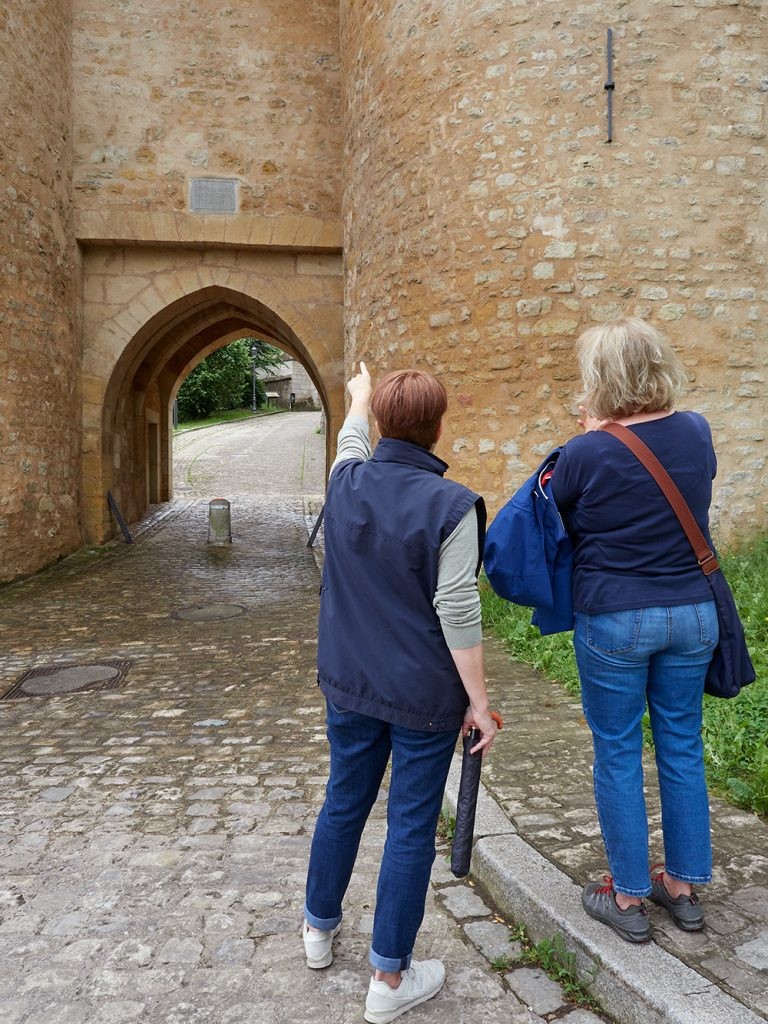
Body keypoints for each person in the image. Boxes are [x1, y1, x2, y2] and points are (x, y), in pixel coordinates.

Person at [303, 363, 498, 1023]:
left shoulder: (345, 482)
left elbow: (350, 443)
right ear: (441, 426)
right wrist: (478, 701)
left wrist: (358, 398)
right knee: (411, 826)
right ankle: (389, 978)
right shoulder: (451, 505)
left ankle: (318, 931)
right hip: (421, 697)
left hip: (350, 684)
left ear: (383, 424)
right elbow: (458, 609)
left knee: (343, 802)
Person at [550, 317, 718, 943]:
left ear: (600, 379)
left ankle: (626, 897)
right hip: (692, 613)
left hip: (616, 616)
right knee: (681, 743)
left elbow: (558, 512)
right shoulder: (697, 430)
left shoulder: (585, 450)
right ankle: (684, 886)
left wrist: (596, 434)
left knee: (617, 748)